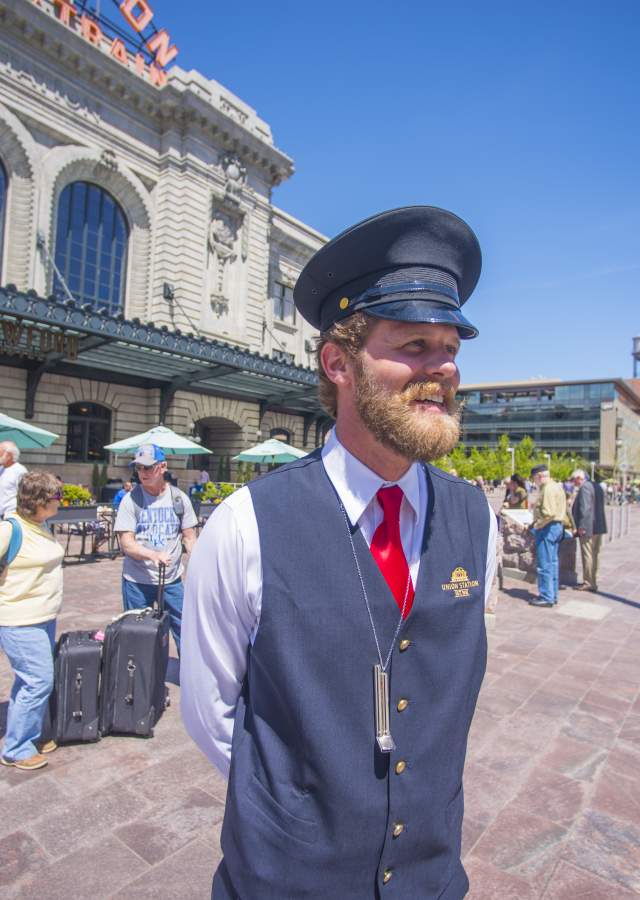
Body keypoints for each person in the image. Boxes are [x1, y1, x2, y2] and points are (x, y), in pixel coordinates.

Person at [182, 206, 497, 899]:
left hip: (432, 882)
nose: (442, 368)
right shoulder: (246, 525)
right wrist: (306, 813)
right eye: (414, 345)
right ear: (338, 361)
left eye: (450, 349)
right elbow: (210, 715)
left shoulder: (479, 521)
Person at [0, 472, 63, 771]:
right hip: (19, 619)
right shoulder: (11, 529)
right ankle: (17, 748)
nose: (61, 502)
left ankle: (29, 733)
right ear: (39, 501)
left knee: (28, 680)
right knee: (39, 680)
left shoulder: (40, 524)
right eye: (56, 497)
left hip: (42, 617)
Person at [114, 444, 197, 655]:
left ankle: (190, 678)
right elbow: (127, 543)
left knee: (184, 630)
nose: (143, 473)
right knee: (137, 634)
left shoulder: (179, 499)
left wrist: (200, 562)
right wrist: (152, 555)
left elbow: (190, 538)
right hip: (137, 581)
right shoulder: (130, 500)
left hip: (172, 581)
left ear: (162, 467)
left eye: (148, 467)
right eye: (139, 468)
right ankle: (139, 680)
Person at [529, 463, 567, 607]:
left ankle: (546, 596)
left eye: (534, 478)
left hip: (548, 528)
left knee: (544, 564)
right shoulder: (557, 486)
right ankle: (553, 594)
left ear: (539, 476)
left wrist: (537, 525)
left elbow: (549, 513)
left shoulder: (548, 489)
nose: (534, 482)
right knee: (552, 563)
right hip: (557, 526)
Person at [570, 469, 597, 592]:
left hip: (585, 528)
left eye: (573, 479)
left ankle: (588, 582)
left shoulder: (585, 488)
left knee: (586, 555)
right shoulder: (589, 486)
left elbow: (585, 509)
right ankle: (591, 581)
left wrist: (582, 527)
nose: (573, 482)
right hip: (590, 526)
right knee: (589, 554)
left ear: (579, 478)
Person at [0, 441, 28, 519]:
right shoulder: (1, 468)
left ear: (8, 455)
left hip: (10, 516)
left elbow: (25, 495)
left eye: (0, 453)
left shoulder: (20, 470)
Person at [591, 474, 608, 591]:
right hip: (600, 524)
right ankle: (594, 577)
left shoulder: (589, 488)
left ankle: (591, 580)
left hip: (593, 526)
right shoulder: (600, 489)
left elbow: (587, 508)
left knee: (590, 554)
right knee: (596, 553)